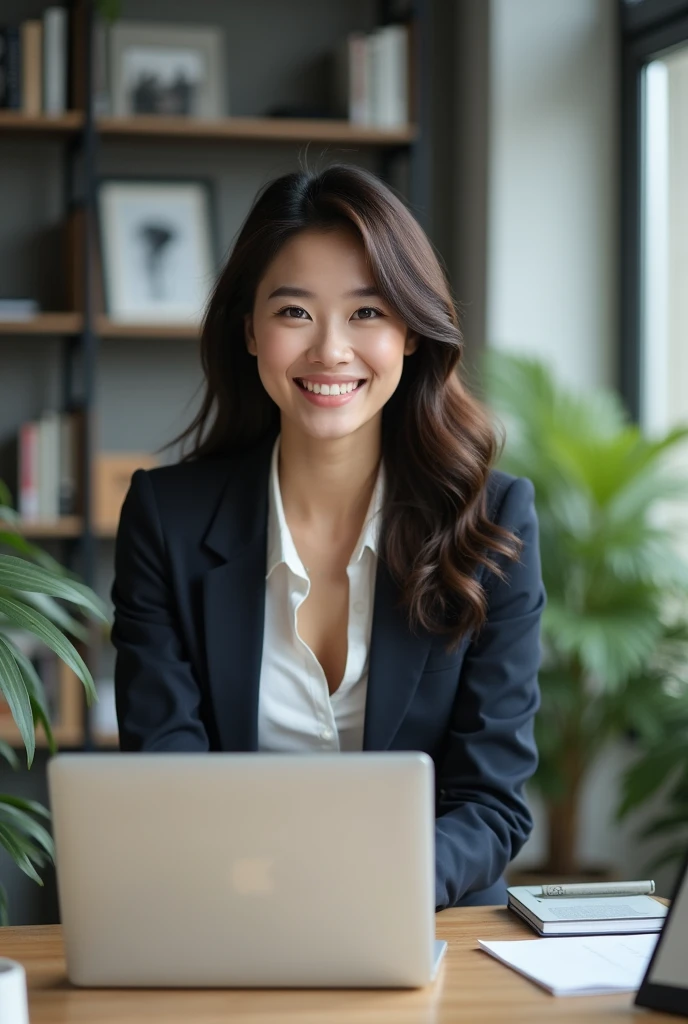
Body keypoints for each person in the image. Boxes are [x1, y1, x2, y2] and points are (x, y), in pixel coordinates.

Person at [111, 163, 545, 910]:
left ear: (411, 333)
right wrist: (268, 892)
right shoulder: (165, 517)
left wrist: (374, 892)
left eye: (368, 313)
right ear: (249, 330)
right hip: (229, 915)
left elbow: (490, 804)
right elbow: (167, 779)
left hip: (427, 921)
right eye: (294, 313)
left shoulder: (492, 519)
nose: (331, 351)